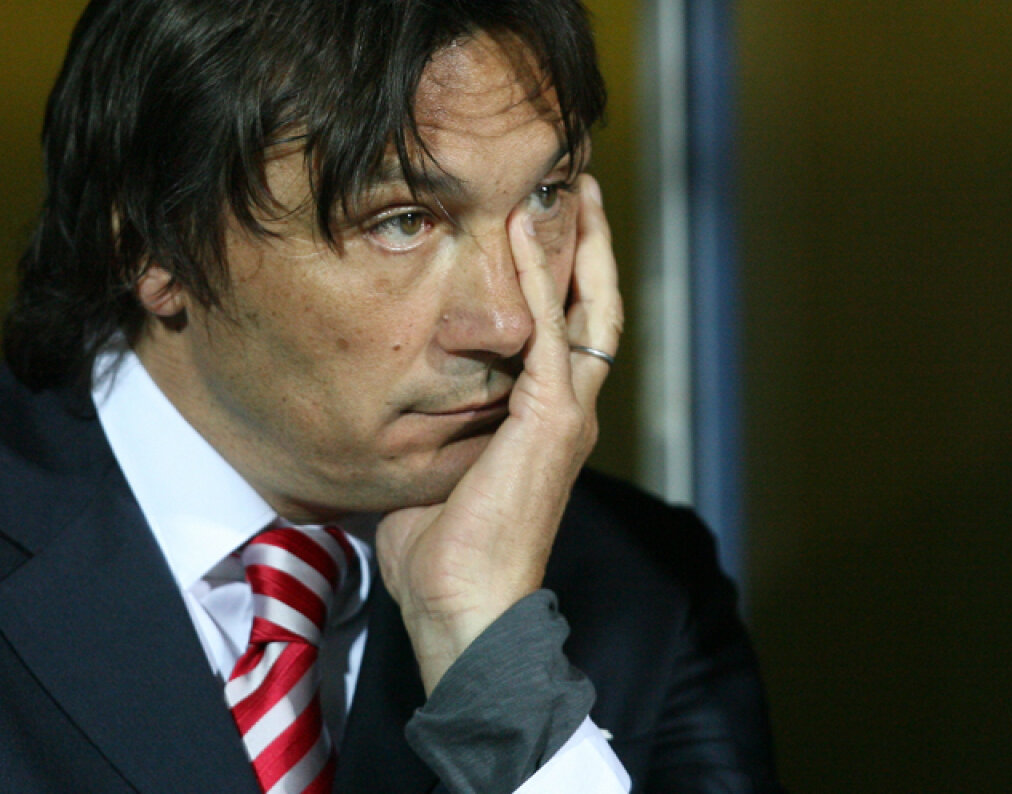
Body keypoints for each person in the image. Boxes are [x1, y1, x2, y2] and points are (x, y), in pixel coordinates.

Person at [0, 0, 781, 791]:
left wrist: (498, 671)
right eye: (402, 221)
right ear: (153, 246)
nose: (508, 322)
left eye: (545, 195)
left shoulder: (645, 587)